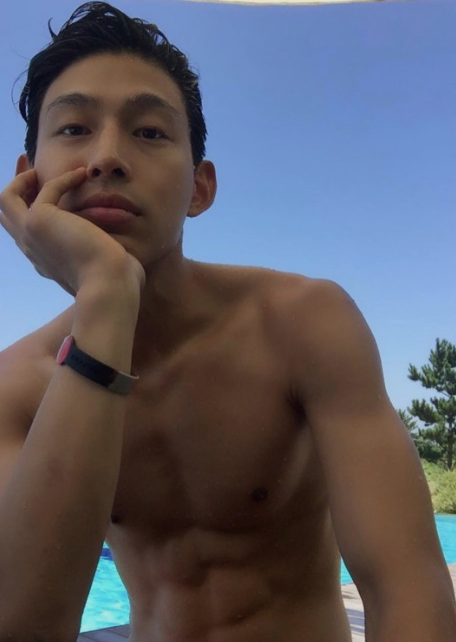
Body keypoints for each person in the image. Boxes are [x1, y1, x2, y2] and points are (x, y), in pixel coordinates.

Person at [0, 2, 454, 641]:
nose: (106, 157)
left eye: (149, 132)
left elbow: (409, 588)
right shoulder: (18, 389)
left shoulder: (302, 325)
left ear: (199, 188)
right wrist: (106, 295)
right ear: (28, 182)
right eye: (73, 128)